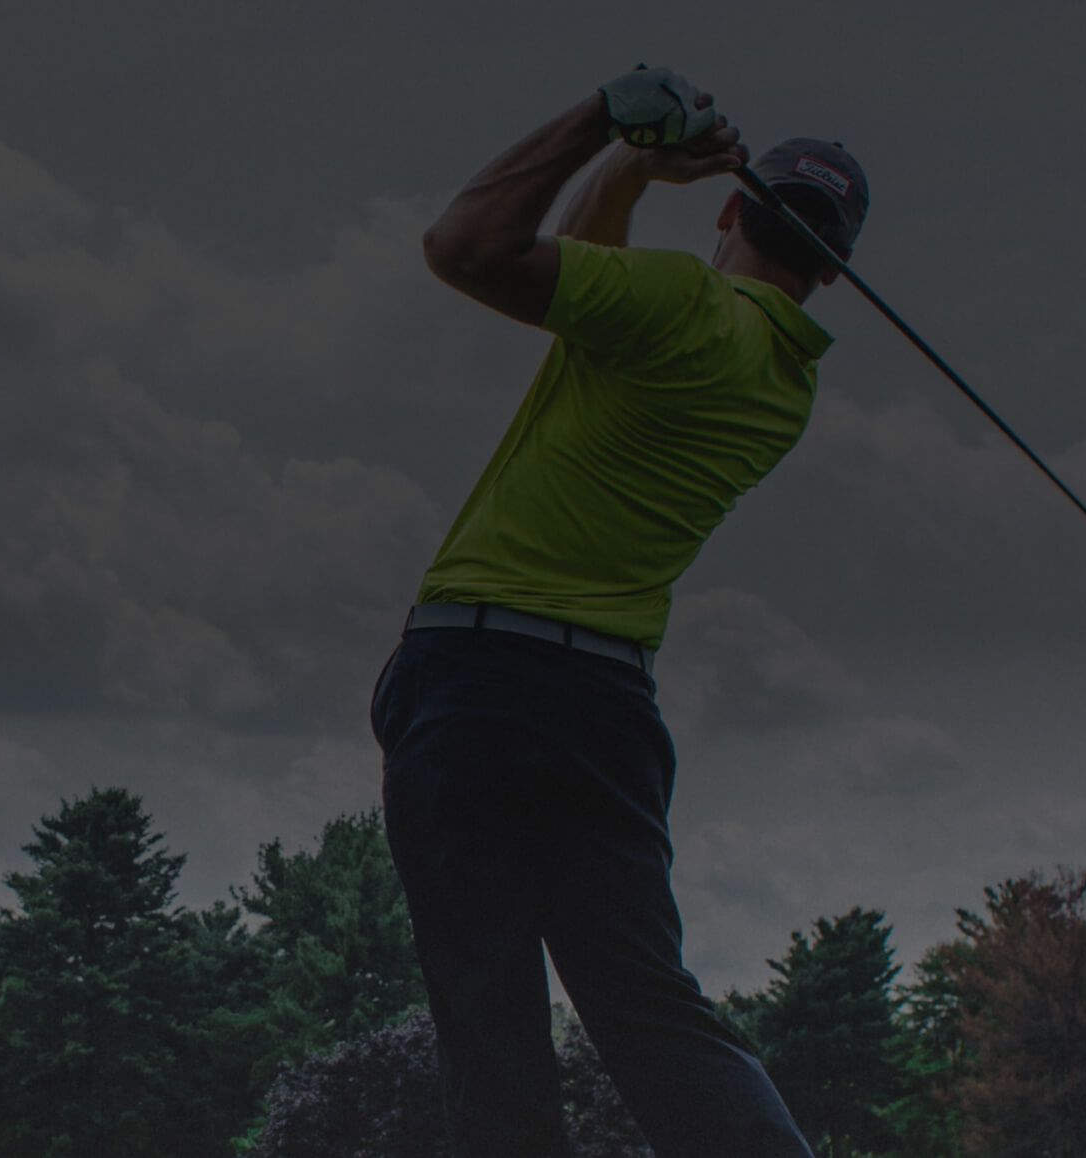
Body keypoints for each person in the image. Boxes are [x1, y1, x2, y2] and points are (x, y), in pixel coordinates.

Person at [373, 66, 870, 1158]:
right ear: (831, 271)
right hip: (607, 712)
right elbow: (593, 274)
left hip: (480, 686)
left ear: (730, 210)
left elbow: (465, 246)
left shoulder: (678, 303)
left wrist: (603, 116)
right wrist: (628, 170)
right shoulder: (782, 379)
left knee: (490, 1021)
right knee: (652, 1008)